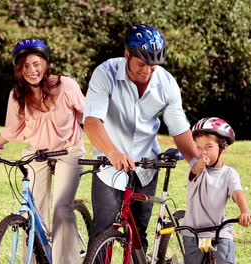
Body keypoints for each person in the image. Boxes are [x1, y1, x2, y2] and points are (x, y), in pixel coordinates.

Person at [83, 24, 198, 254]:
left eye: (153, 65)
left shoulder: (166, 83)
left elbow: (179, 129)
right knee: (102, 232)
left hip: (146, 167)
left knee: (138, 236)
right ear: (127, 55)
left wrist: (196, 161)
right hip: (109, 167)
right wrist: (113, 153)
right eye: (141, 64)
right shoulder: (105, 74)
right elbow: (92, 122)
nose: (147, 70)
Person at [0, 38, 85, 263]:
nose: (32, 70)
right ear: (19, 69)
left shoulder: (67, 86)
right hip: (37, 152)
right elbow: (10, 131)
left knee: (61, 208)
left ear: (46, 64)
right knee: (35, 212)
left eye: (36, 64)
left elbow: (89, 117)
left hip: (68, 150)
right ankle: (37, 259)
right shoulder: (17, 95)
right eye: (25, 66)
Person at [183, 117, 251, 264]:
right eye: (199, 147)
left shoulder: (229, 174)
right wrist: (199, 164)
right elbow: (195, 171)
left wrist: (245, 211)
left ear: (223, 147)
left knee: (224, 259)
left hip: (219, 230)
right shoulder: (198, 169)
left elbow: (237, 193)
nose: (203, 152)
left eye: (209, 147)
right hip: (192, 232)